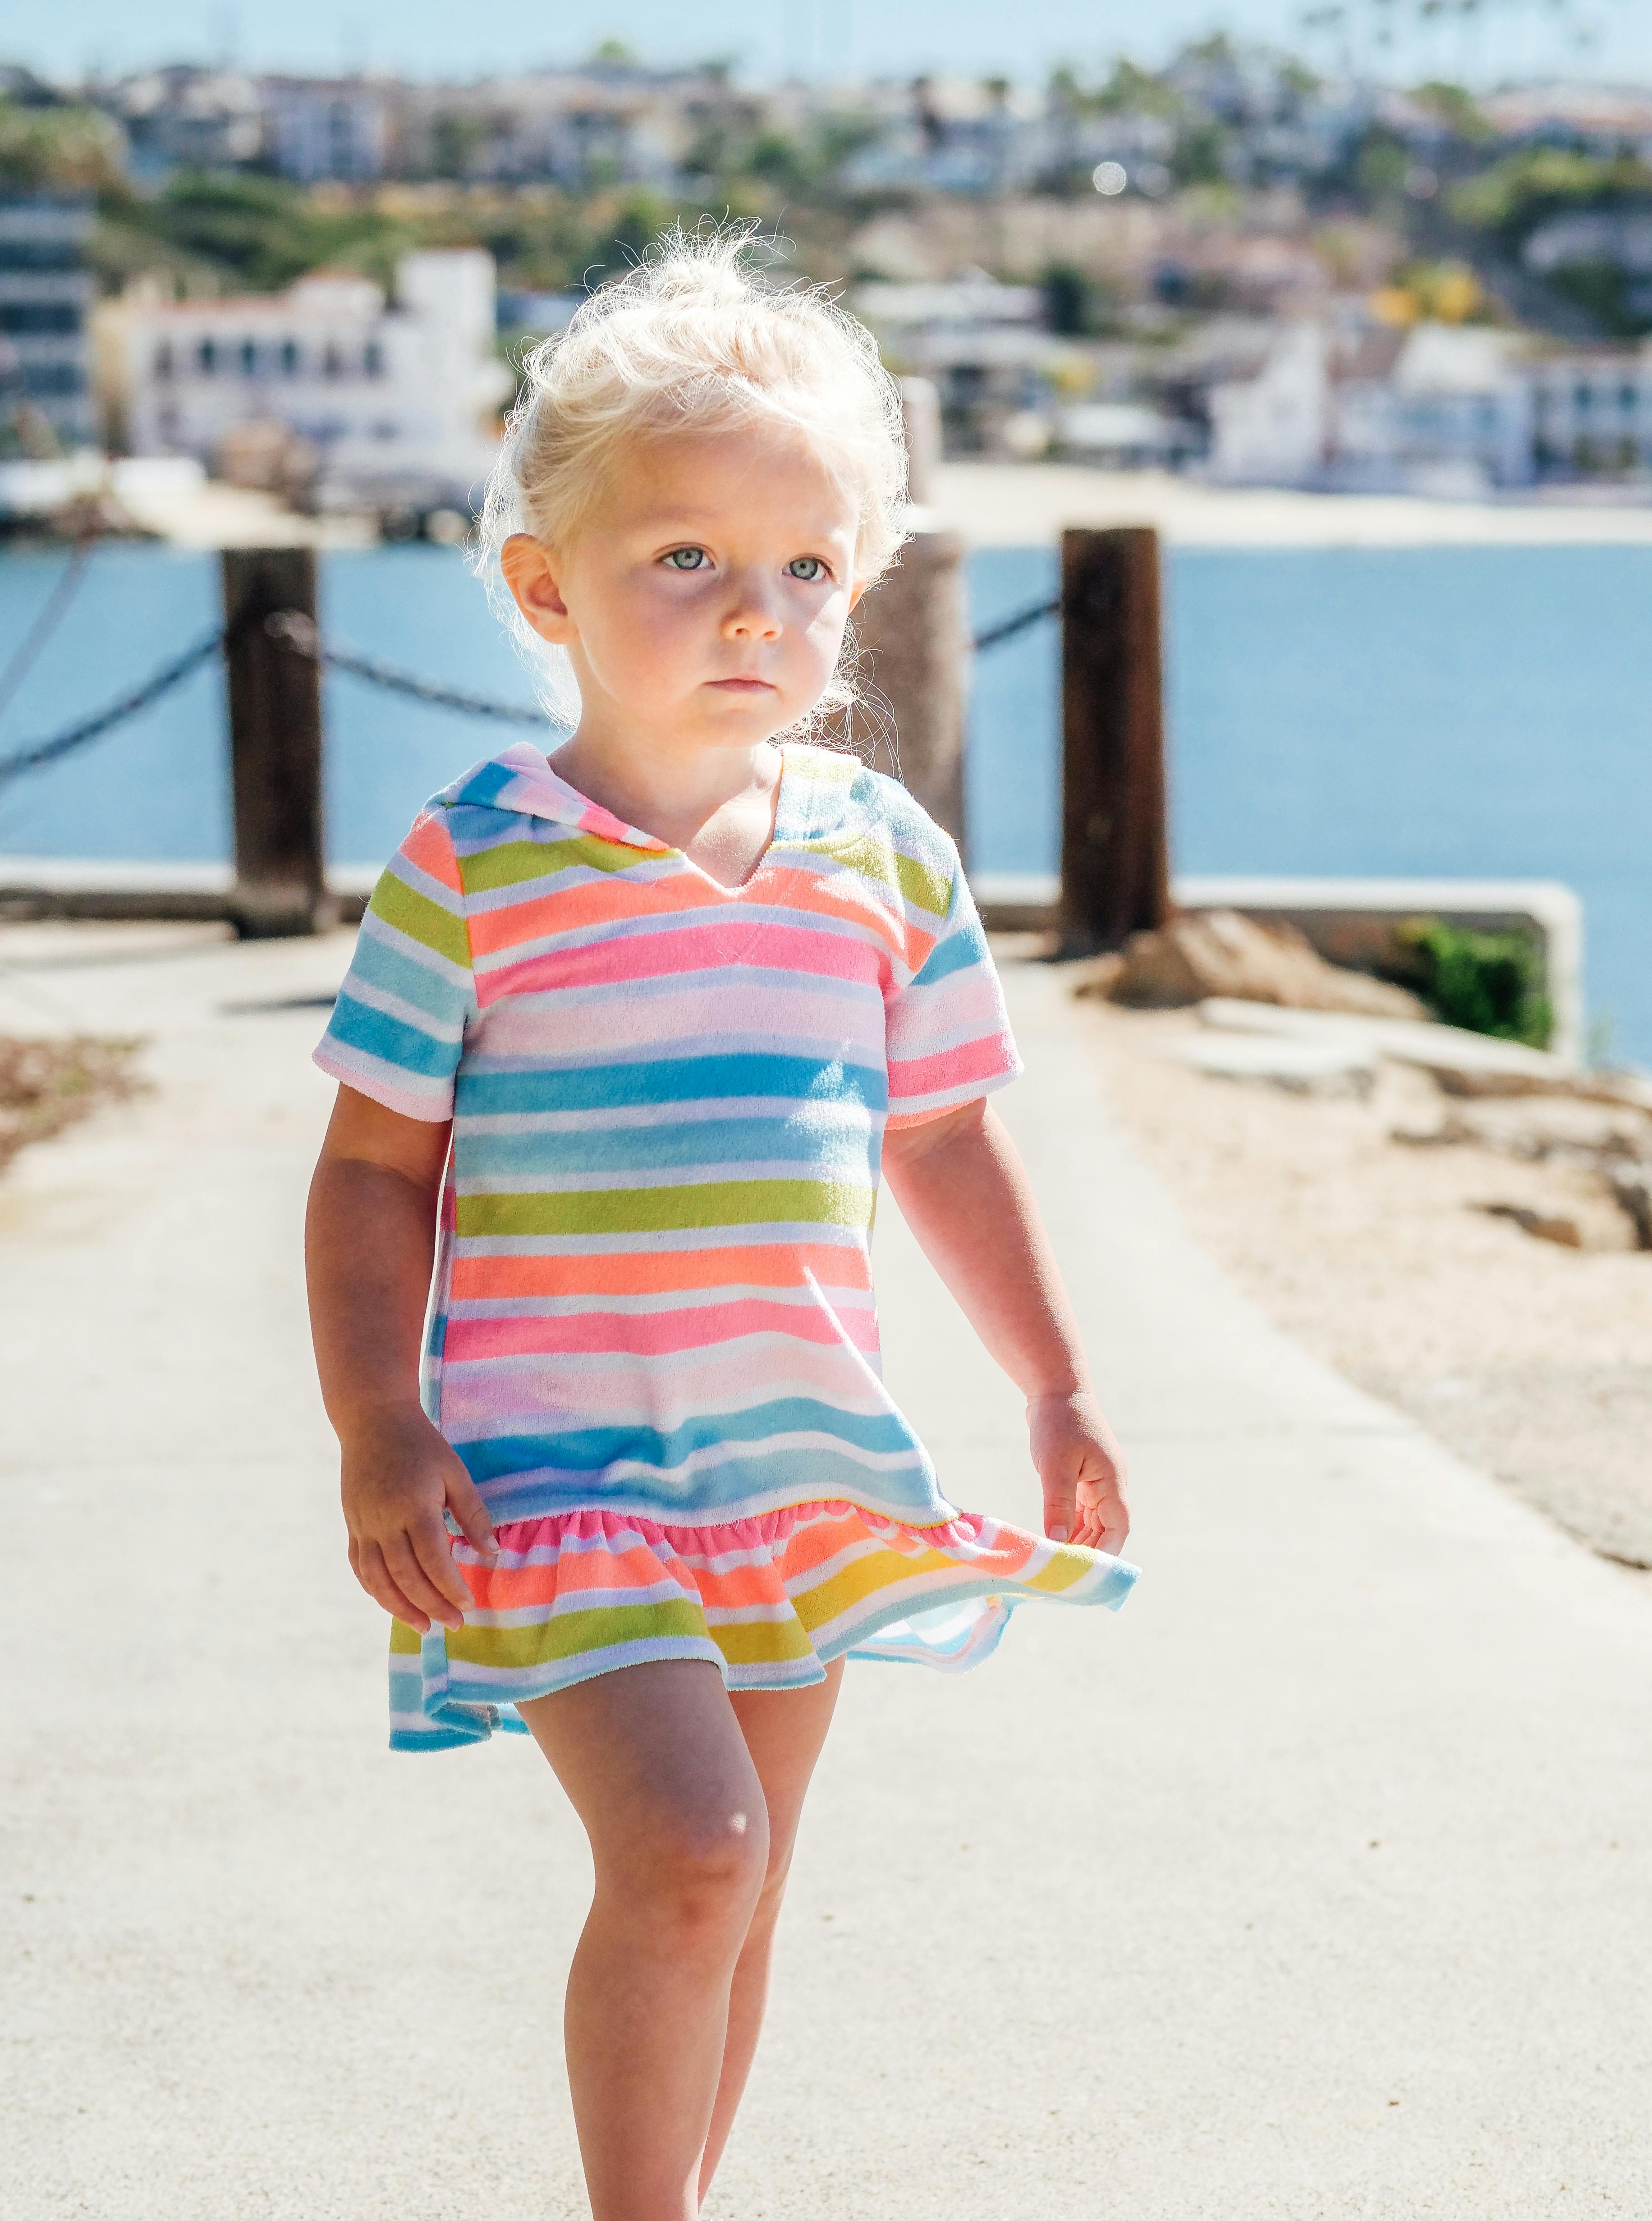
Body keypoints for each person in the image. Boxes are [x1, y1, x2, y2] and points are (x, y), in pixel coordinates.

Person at [304, 227, 1137, 2221]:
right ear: (546, 584)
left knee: (746, 1879)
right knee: (688, 1846)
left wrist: (1058, 1382)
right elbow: (366, 1171)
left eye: (805, 568)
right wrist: (376, 1424)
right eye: (685, 556)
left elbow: (942, 1140)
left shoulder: (879, 857)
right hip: (553, 1471)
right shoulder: (476, 866)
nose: (751, 609)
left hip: (792, 1457)